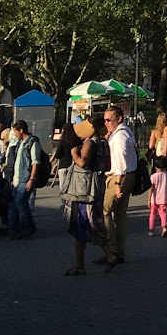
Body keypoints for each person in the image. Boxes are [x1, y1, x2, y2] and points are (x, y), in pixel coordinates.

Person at [60, 120, 106, 275]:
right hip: (98, 185)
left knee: (82, 224)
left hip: (84, 189)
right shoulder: (103, 142)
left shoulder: (89, 143)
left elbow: (82, 162)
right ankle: (111, 254)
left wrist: (74, 153)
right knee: (94, 222)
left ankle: (81, 264)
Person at [102, 103, 137, 266]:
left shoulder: (119, 137)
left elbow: (121, 160)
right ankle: (119, 251)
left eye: (109, 120)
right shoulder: (125, 132)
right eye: (105, 120)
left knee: (106, 211)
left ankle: (111, 250)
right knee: (121, 213)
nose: (106, 123)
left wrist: (117, 184)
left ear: (119, 119)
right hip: (128, 175)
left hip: (119, 176)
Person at [4, 120, 41, 240]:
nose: (14, 134)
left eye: (15, 131)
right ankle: (13, 229)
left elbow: (35, 162)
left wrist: (31, 179)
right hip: (16, 179)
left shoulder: (32, 143)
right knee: (13, 205)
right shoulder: (20, 143)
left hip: (25, 179)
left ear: (21, 130)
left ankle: (28, 228)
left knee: (21, 203)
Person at [148, 166, 167, 235]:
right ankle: (164, 228)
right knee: (163, 214)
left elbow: (151, 188)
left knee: (152, 214)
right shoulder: (166, 174)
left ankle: (151, 230)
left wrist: (149, 199)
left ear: (155, 167)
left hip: (154, 199)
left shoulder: (153, 176)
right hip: (163, 198)